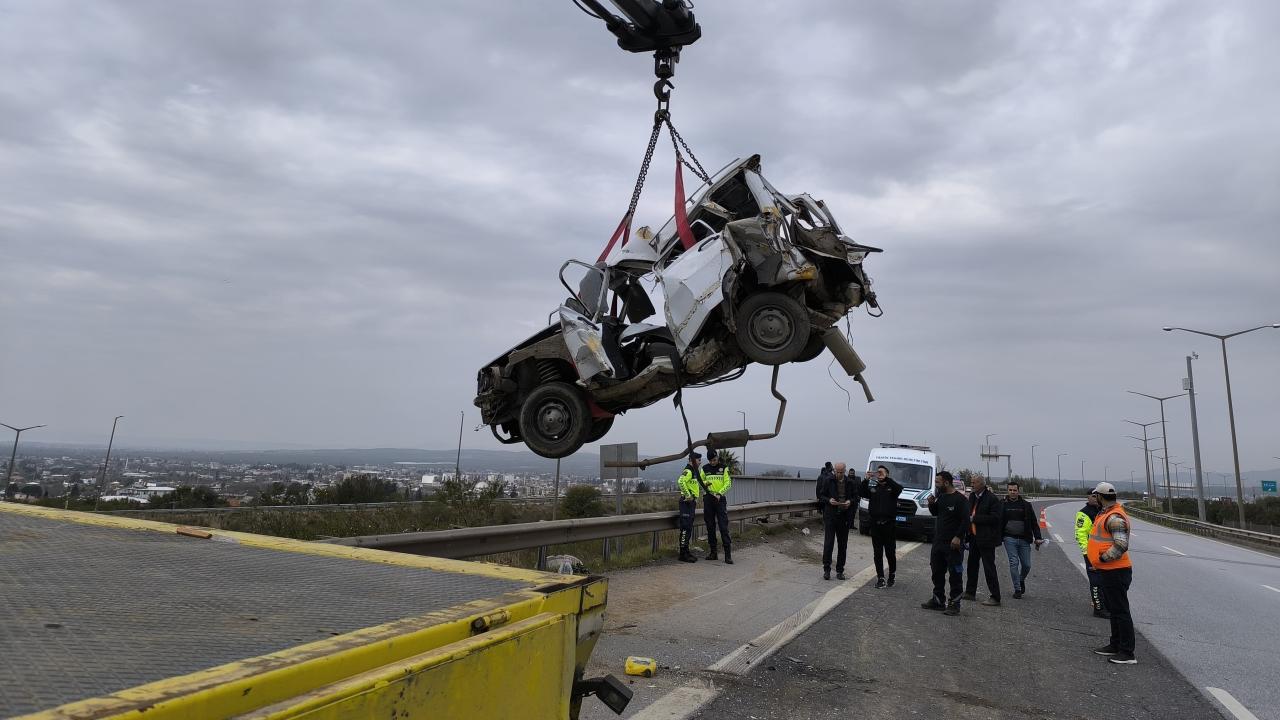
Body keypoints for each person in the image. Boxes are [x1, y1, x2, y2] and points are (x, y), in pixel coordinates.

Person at [1087, 482, 1137, 664]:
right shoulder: (1107, 514)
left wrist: (1102, 559)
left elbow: (1121, 544)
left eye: (1096, 496)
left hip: (1116, 570)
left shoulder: (1114, 517)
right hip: (1109, 571)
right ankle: (1115, 645)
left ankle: (1127, 652)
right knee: (1115, 610)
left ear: (1100, 497)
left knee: (1121, 611)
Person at [922, 471, 968, 615]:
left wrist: (958, 537)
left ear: (946, 483)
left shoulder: (960, 500)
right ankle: (938, 600)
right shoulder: (941, 497)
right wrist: (931, 504)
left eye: (938, 482)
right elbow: (936, 513)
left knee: (955, 574)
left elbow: (966, 520)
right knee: (936, 571)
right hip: (938, 542)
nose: (936, 485)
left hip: (953, 544)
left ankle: (954, 604)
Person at [859, 465, 903, 588]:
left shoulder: (892, 488)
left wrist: (886, 478)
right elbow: (861, 492)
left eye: (881, 473)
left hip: (889, 525)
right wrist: (866, 479)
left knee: (890, 553)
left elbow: (899, 489)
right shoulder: (874, 489)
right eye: (877, 473)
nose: (879, 474)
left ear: (887, 474)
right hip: (875, 525)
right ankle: (880, 577)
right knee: (877, 553)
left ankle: (892, 575)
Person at [962, 475, 1003, 606]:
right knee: (972, 566)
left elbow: (995, 518)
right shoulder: (973, 497)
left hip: (987, 539)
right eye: (971, 482)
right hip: (974, 538)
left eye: (974, 482)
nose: (971, 484)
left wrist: (975, 519)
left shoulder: (991, 499)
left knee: (989, 568)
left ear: (982, 484)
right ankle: (970, 592)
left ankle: (995, 597)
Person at [1000, 480, 1044, 599]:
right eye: (1010, 490)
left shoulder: (1026, 505)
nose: (1012, 492)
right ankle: (1017, 589)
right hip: (1009, 538)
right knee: (1014, 562)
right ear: (1007, 491)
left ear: (1018, 491)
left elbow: (1034, 523)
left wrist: (1038, 537)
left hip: (1024, 539)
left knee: (1027, 565)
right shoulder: (1002, 504)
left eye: (1015, 490)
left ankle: (1020, 579)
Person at [817, 462, 855, 580]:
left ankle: (840, 570)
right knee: (829, 543)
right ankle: (827, 569)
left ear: (845, 471)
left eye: (841, 472)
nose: (838, 474)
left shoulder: (850, 482)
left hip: (844, 516)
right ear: (834, 470)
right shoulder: (829, 480)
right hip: (831, 516)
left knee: (842, 545)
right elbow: (821, 495)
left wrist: (850, 501)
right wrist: (829, 500)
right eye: (837, 472)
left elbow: (855, 497)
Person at [1075, 492, 1109, 618]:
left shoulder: (1103, 511)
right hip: (1091, 554)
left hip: (1105, 553)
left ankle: (1105, 605)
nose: (1096, 498)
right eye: (1093, 496)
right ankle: (1098, 608)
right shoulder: (1084, 513)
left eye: (1097, 496)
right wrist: (1086, 552)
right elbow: (1080, 534)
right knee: (1096, 581)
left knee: (1106, 580)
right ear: (1088, 497)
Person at [701, 452, 733, 564]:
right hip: (708, 499)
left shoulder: (724, 468)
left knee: (723, 526)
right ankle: (713, 552)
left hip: (720, 499)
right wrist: (706, 483)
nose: (712, 462)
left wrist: (719, 493)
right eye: (710, 461)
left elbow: (728, 483)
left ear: (717, 458)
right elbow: (700, 482)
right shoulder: (704, 468)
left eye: (714, 460)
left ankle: (727, 555)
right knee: (710, 526)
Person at [676, 452, 704, 563]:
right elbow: (681, 481)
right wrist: (688, 495)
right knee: (685, 528)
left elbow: (694, 483)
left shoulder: (694, 471)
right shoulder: (688, 470)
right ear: (692, 460)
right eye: (699, 460)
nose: (700, 462)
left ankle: (686, 552)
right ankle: (683, 554)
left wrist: (705, 484)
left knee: (688, 528)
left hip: (691, 503)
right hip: (686, 502)